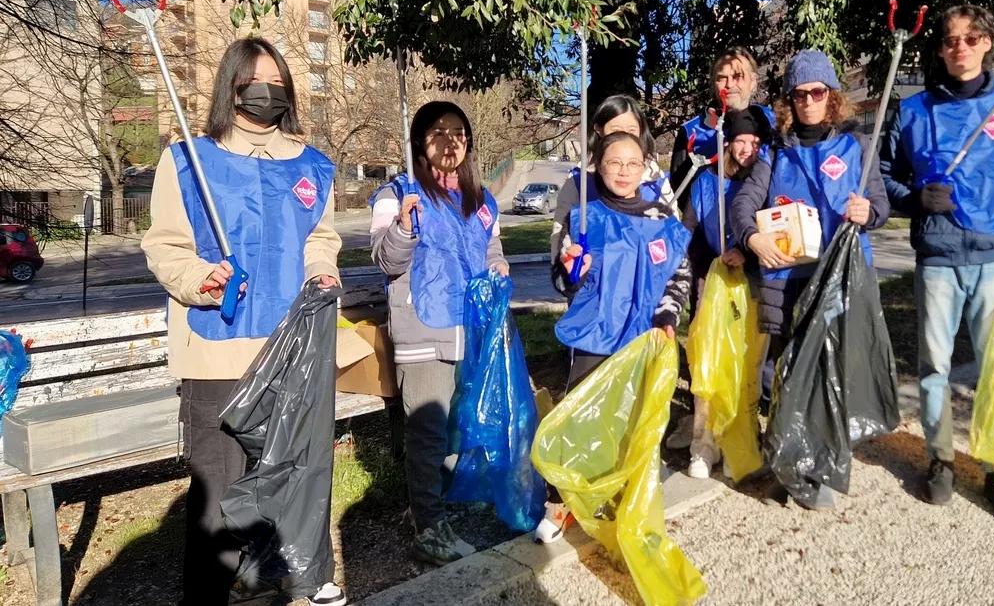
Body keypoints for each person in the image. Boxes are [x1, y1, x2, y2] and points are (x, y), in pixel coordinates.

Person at [141, 38, 346, 606]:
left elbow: (319, 239)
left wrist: (322, 271)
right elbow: (165, 246)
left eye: (278, 83)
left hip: (291, 352)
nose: (267, 91)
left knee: (290, 475)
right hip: (217, 355)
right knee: (219, 493)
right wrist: (200, 280)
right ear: (230, 86)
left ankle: (279, 579)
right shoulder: (187, 161)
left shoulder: (312, 166)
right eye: (254, 80)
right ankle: (210, 594)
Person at [879, 4, 994, 520]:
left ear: (988, 43)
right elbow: (882, 176)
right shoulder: (914, 112)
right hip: (937, 257)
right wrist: (913, 200)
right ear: (939, 49)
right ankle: (941, 460)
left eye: (971, 38)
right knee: (934, 367)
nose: (961, 47)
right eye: (951, 40)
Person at [729, 49, 890, 510]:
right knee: (785, 376)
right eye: (798, 94)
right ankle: (786, 462)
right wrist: (752, 236)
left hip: (838, 280)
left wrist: (868, 211)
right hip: (787, 282)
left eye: (816, 92)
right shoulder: (775, 153)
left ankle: (821, 463)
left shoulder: (856, 147)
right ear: (788, 101)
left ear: (831, 96)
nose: (807, 101)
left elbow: (879, 204)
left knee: (828, 375)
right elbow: (744, 204)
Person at [368, 101, 510, 564]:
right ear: (420, 142)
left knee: (454, 431)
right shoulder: (396, 194)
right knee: (427, 434)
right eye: (438, 132)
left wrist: (500, 270)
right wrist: (405, 228)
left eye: (459, 133)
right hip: (422, 329)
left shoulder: (481, 199)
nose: (450, 141)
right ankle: (428, 526)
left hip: (470, 333)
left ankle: (432, 508)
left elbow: (492, 252)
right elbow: (387, 261)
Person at [536, 130, 694, 543]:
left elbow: (678, 276)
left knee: (633, 421)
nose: (623, 172)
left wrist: (667, 316)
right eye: (613, 163)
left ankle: (625, 497)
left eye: (632, 163)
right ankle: (563, 500)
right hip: (593, 335)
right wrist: (574, 269)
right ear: (598, 166)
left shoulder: (662, 217)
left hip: (642, 338)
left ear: (645, 167)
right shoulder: (586, 216)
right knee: (578, 418)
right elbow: (564, 281)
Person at [679, 105, 769, 479]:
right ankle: (704, 445)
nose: (746, 149)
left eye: (754, 142)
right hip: (713, 281)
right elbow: (688, 229)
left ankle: (739, 441)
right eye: (740, 141)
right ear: (728, 143)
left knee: (746, 366)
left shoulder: (765, 179)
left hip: (753, 283)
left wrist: (746, 251)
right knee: (709, 364)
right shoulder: (705, 181)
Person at [550, 95, 674, 257]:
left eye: (631, 131)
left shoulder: (655, 178)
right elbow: (560, 238)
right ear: (598, 130)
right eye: (615, 130)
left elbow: (672, 238)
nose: (624, 137)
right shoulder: (580, 180)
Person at [671, 48, 776, 206]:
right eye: (722, 78)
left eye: (737, 76)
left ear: (753, 81)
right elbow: (681, 190)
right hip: (711, 226)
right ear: (714, 83)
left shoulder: (773, 123)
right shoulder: (691, 132)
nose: (730, 84)